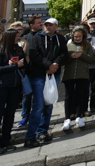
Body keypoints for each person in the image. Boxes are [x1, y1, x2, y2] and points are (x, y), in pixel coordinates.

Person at [25, 17, 67, 147]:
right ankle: (30, 136)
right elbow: (34, 55)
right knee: (38, 105)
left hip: (53, 74)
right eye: (46, 24)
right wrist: (48, 65)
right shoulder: (36, 38)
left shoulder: (60, 39)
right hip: (39, 75)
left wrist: (56, 64)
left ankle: (43, 131)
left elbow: (64, 53)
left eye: (50, 25)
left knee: (49, 103)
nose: (47, 27)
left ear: (56, 26)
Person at [0, 29, 25, 155]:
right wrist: (14, 65)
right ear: (9, 38)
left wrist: (20, 64)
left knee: (10, 115)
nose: (18, 38)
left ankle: (6, 141)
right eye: (16, 37)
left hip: (15, 86)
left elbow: (24, 64)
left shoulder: (18, 50)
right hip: (1, 86)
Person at [62, 26, 94, 130]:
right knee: (68, 96)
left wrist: (82, 55)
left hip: (82, 74)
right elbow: (62, 60)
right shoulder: (68, 44)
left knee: (80, 95)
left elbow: (90, 59)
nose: (78, 38)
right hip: (69, 74)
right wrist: (70, 57)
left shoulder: (87, 45)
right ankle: (67, 117)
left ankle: (79, 116)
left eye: (80, 36)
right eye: (76, 36)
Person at [18, 15, 42, 128]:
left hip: (41, 70)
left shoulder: (43, 36)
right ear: (32, 25)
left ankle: (38, 117)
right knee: (27, 95)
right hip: (28, 71)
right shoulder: (26, 38)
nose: (41, 24)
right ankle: (25, 117)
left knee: (39, 95)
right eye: (39, 23)